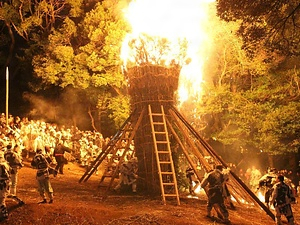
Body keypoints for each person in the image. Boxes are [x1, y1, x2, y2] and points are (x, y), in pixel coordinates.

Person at [0, 151, 11, 220]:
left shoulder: (2, 165)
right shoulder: (5, 164)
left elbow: (6, 176)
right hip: (4, 183)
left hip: (2, 184)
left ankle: (5, 213)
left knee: (1, 200)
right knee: (2, 199)